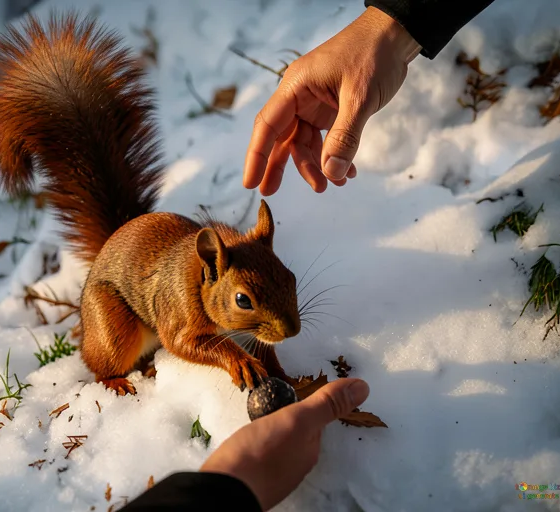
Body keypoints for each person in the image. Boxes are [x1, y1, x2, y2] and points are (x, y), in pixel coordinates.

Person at [122, 0, 497, 510]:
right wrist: (234, 354)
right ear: (210, 270)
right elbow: (180, 338)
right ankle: (110, 374)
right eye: (249, 303)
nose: (291, 324)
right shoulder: (195, 300)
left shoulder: (239, 267)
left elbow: (264, 323)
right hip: (124, 304)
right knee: (123, 342)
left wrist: (389, 28)